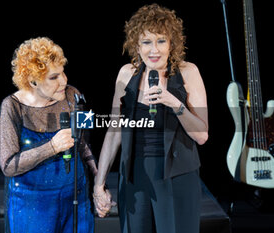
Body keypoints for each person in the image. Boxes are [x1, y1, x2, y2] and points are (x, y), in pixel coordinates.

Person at [93, 4, 208, 233]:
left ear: (172, 43)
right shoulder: (127, 74)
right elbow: (114, 132)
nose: (154, 50)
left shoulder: (188, 72)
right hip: (135, 177)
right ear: (136, 45)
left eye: (161, 41)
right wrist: (99, 184)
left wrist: (174, 103)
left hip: (177, 177)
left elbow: (202, 135)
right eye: (147, 42)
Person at [0, 37, 96, 233]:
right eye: (53, 77)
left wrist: (99, 186)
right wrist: (52, 147)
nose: (64, 81)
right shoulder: (12, 107)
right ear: (33, 81)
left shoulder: (74, 96)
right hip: (32, 207)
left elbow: (84, 146)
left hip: (75, 200)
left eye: (63, 72)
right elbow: (8, 166)